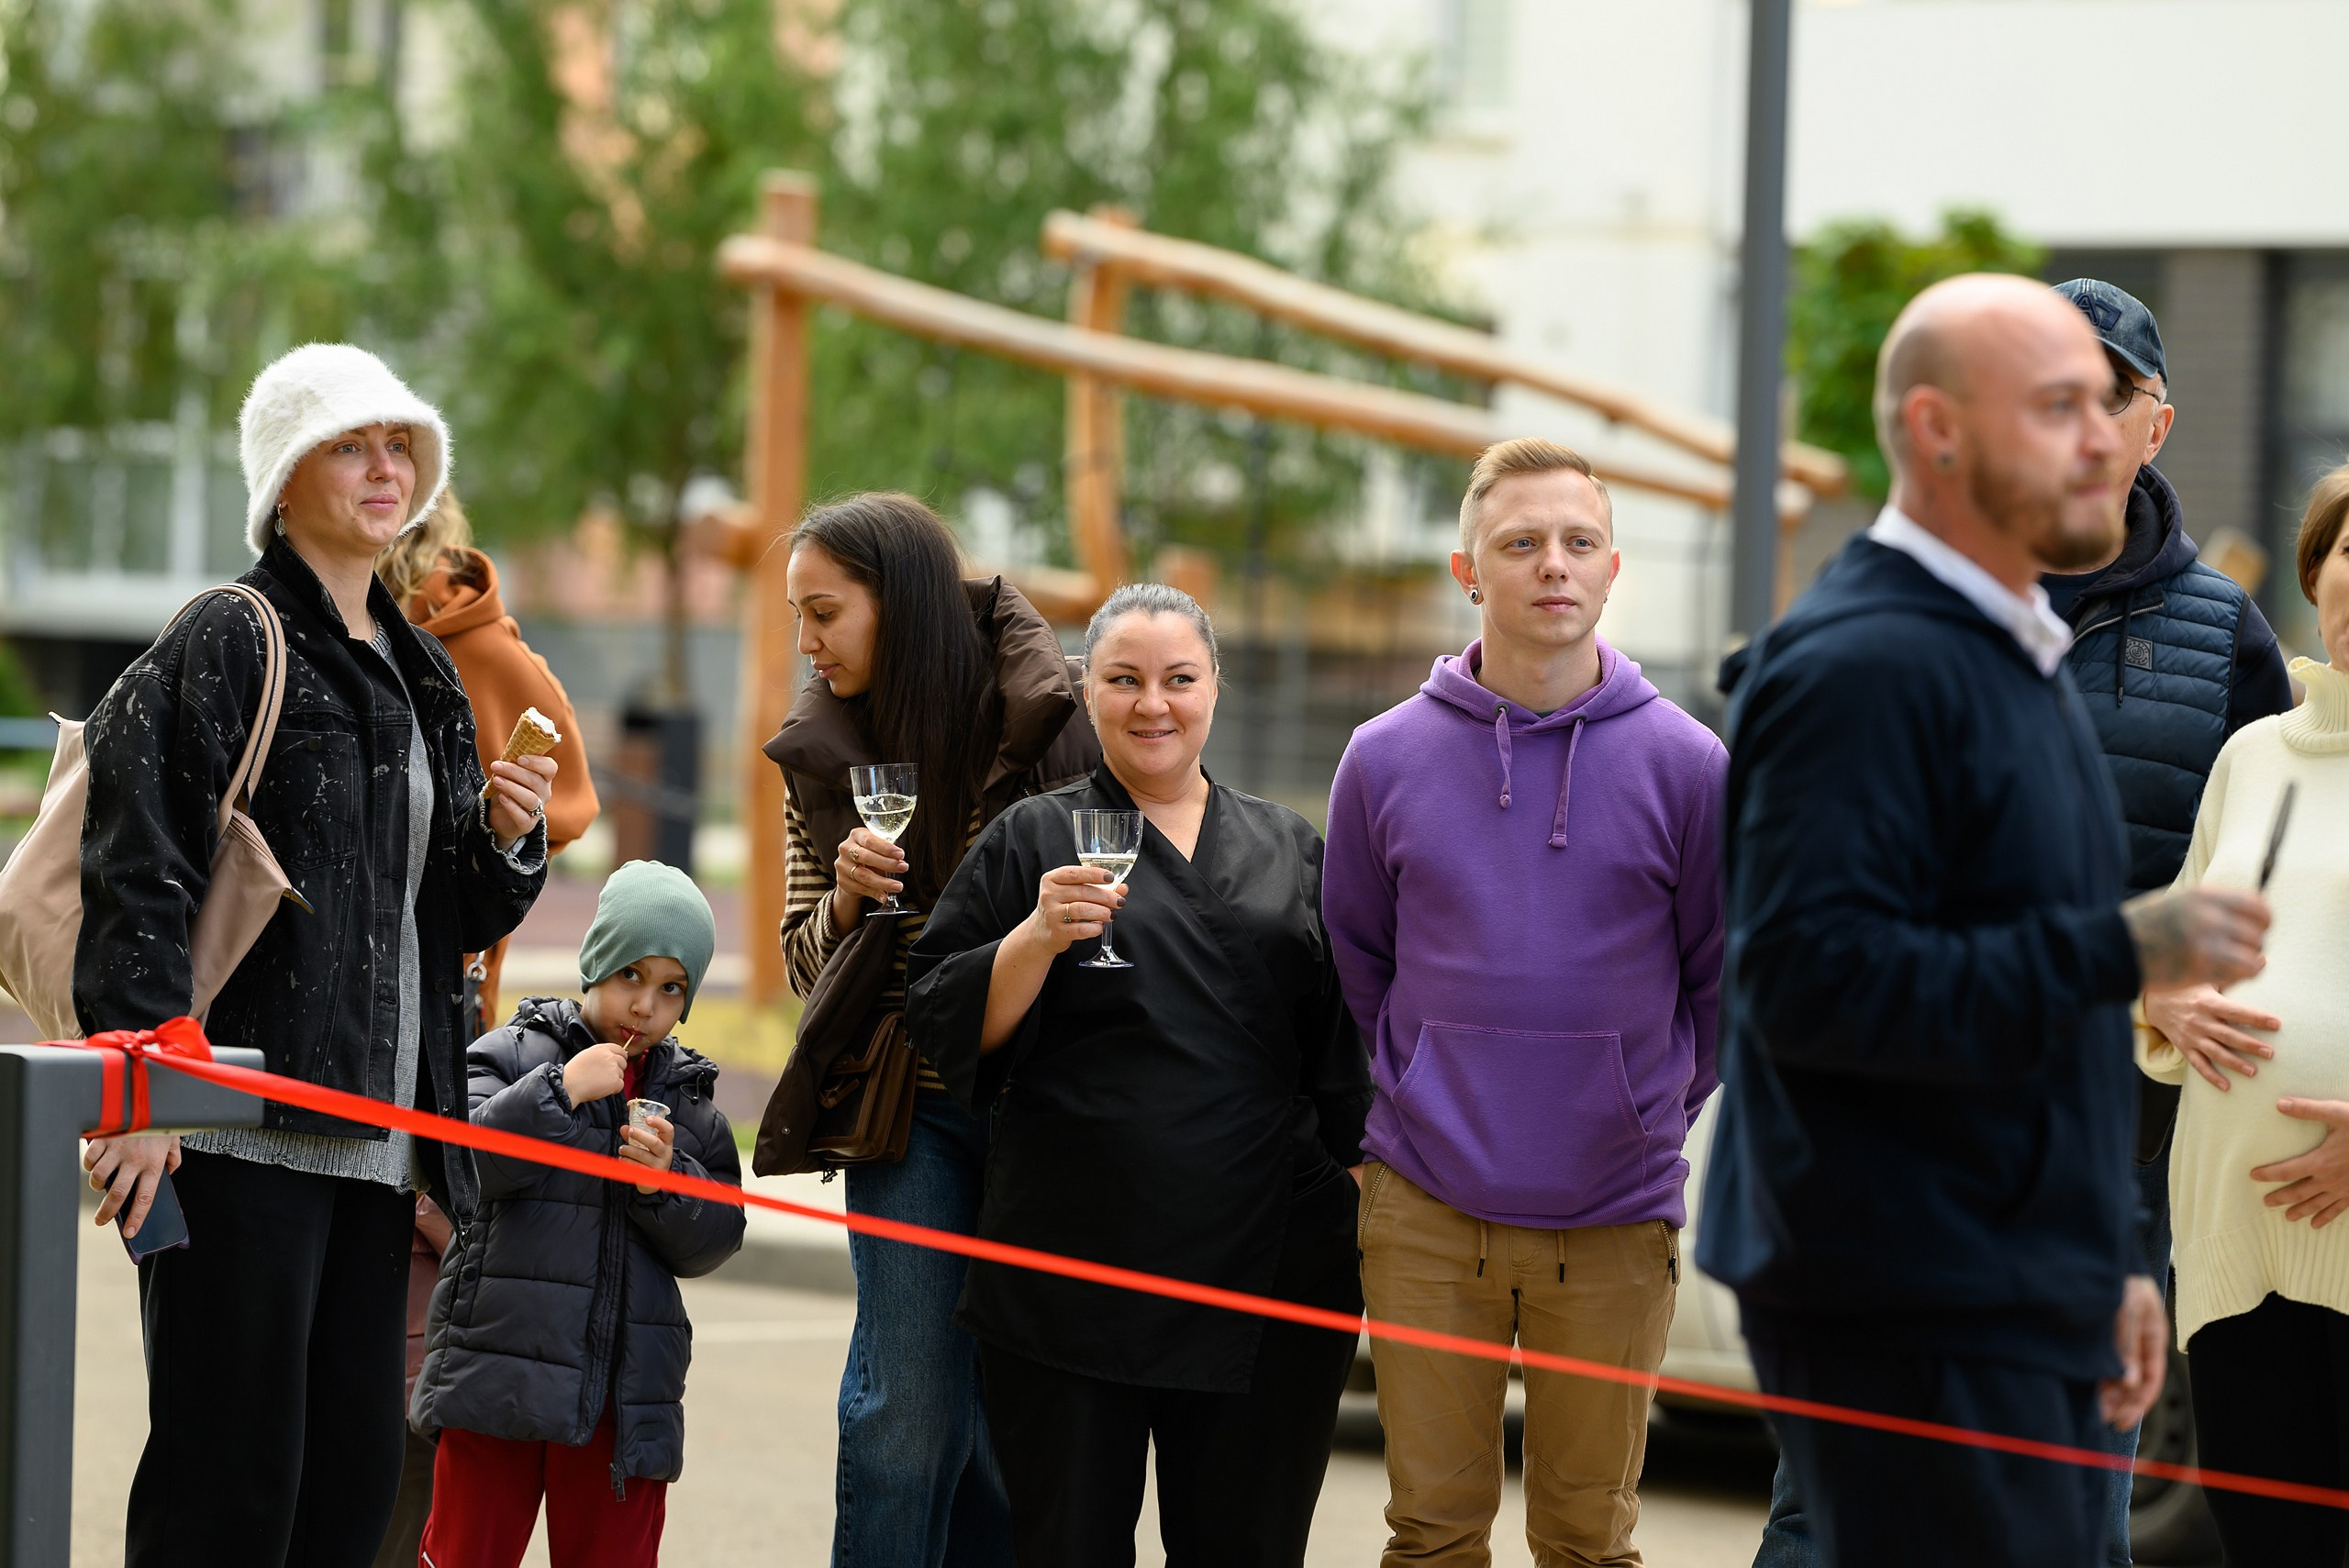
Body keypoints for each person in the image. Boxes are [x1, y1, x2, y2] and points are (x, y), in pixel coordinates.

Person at [1699, 273, 2269, 1568]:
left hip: (2019, 1270)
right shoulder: (1863, 661)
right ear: (1940, 430)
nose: (2094, 441)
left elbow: (2041, 1020)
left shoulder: (2012, 646)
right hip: (1903, 1285)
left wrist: (2109, 1257)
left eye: (2101, 407)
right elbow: (1810, 983)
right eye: (2054, 406)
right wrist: (2130, 952)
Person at [74, 342, 556, 1568]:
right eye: (352, 443)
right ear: (287, 476)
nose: (386, 466)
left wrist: (507, 833)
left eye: (401, 445)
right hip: (238, 1128)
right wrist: (142, 1090)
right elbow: (140, 864)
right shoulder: (228, 633)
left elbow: (447, 915)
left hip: (380, 1148)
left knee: (349, 1498)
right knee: (225, 1491)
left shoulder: (424, 668)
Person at [1319, 436, 1726, 1567]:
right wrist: (1389, 1122)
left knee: (1588, 1540)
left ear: (1610, 568)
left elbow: (1718, 978)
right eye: (1521, 542)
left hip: (1613, 1212)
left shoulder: (1691, 764)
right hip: (1426, 1209)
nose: (1553, 563)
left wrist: (1641, 1109)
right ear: (1468, 570)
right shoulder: (1382, 756)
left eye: (1578, 541)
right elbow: (1352, 961)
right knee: (1433, 1534)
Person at [906, 584, 1371, 1568]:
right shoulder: (1031, 837)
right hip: (1074, 1270)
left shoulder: (1290, 846)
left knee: (1246, 1546)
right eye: (1123, 680)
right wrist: (1035, 935)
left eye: (1178, 678)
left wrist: (1351, 1204)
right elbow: (943, 1020)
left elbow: (1345, 1050)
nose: (1152, 703)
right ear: (1087, 691)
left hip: (1262, 1269)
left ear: (1215, 689)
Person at [763, 492, 1097, 1568]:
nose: (805, 641)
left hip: (1041, 1100)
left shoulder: (1049, 711)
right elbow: (801, 962)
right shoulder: (824, 746)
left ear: (897, 603)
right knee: (904, 1415)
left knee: (1009, 1432)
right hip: (910, 1105)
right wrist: (847, 900)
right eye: (795, 615)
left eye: (823, 611)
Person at [372, 484, 602, 1568]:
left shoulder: (475, 637)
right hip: (342, 1005)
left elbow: (571, 794)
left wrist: (492, 815)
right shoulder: (321, 625)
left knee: (424, 1326)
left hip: (444, 992)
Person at [411, 859, 744, 1568]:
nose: (645, 1005)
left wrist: (665, 1183)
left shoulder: (691, 1106)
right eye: (631, 974)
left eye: (671, 987)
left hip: (623, 1406)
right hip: (496, 1379)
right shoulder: (510, 1053)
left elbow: (718, 1234)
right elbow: (459, 1163)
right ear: (594, 959)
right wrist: (558, 1090)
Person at [2136, 463, 2349, 1564]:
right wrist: (2161, 998)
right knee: (2268, 1541)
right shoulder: (2248, 756)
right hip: (2228, 1240)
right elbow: (2167, 951)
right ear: (2316, 574)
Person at [378, 485, 601, 1027]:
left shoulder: (475, 644)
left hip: (433, 954)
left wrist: (501, 833)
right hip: (449, 951)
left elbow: (565, 796)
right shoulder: (484, 643)